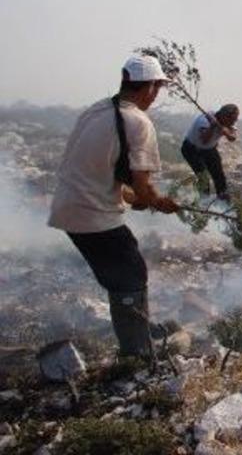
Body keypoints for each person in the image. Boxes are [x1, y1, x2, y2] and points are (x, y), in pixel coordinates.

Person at [48, 55, 179, 359]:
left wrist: (134, 199)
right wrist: (158, 202)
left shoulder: (96, 110)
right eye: (157, 87)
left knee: (123, 271)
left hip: (68, 207)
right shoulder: (138, 122)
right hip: (90, 214)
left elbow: (99, 173)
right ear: (149, 88)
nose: (156, 94)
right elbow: (143, 187)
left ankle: (138, 331)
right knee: (130, 275)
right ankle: (137, 355)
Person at [181, 104, 239, 200]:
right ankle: (203, 203)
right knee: (204, 178)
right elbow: (204, 140)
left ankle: (223, 202)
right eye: (233, 120)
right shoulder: (203, 122)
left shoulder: (229, 122)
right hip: (192, 149)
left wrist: (226, 132)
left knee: (219, 177)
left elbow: (233, 137)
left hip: (209, 149)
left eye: (235, 120)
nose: (234, 122)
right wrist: (212, 126)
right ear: (224, 117)